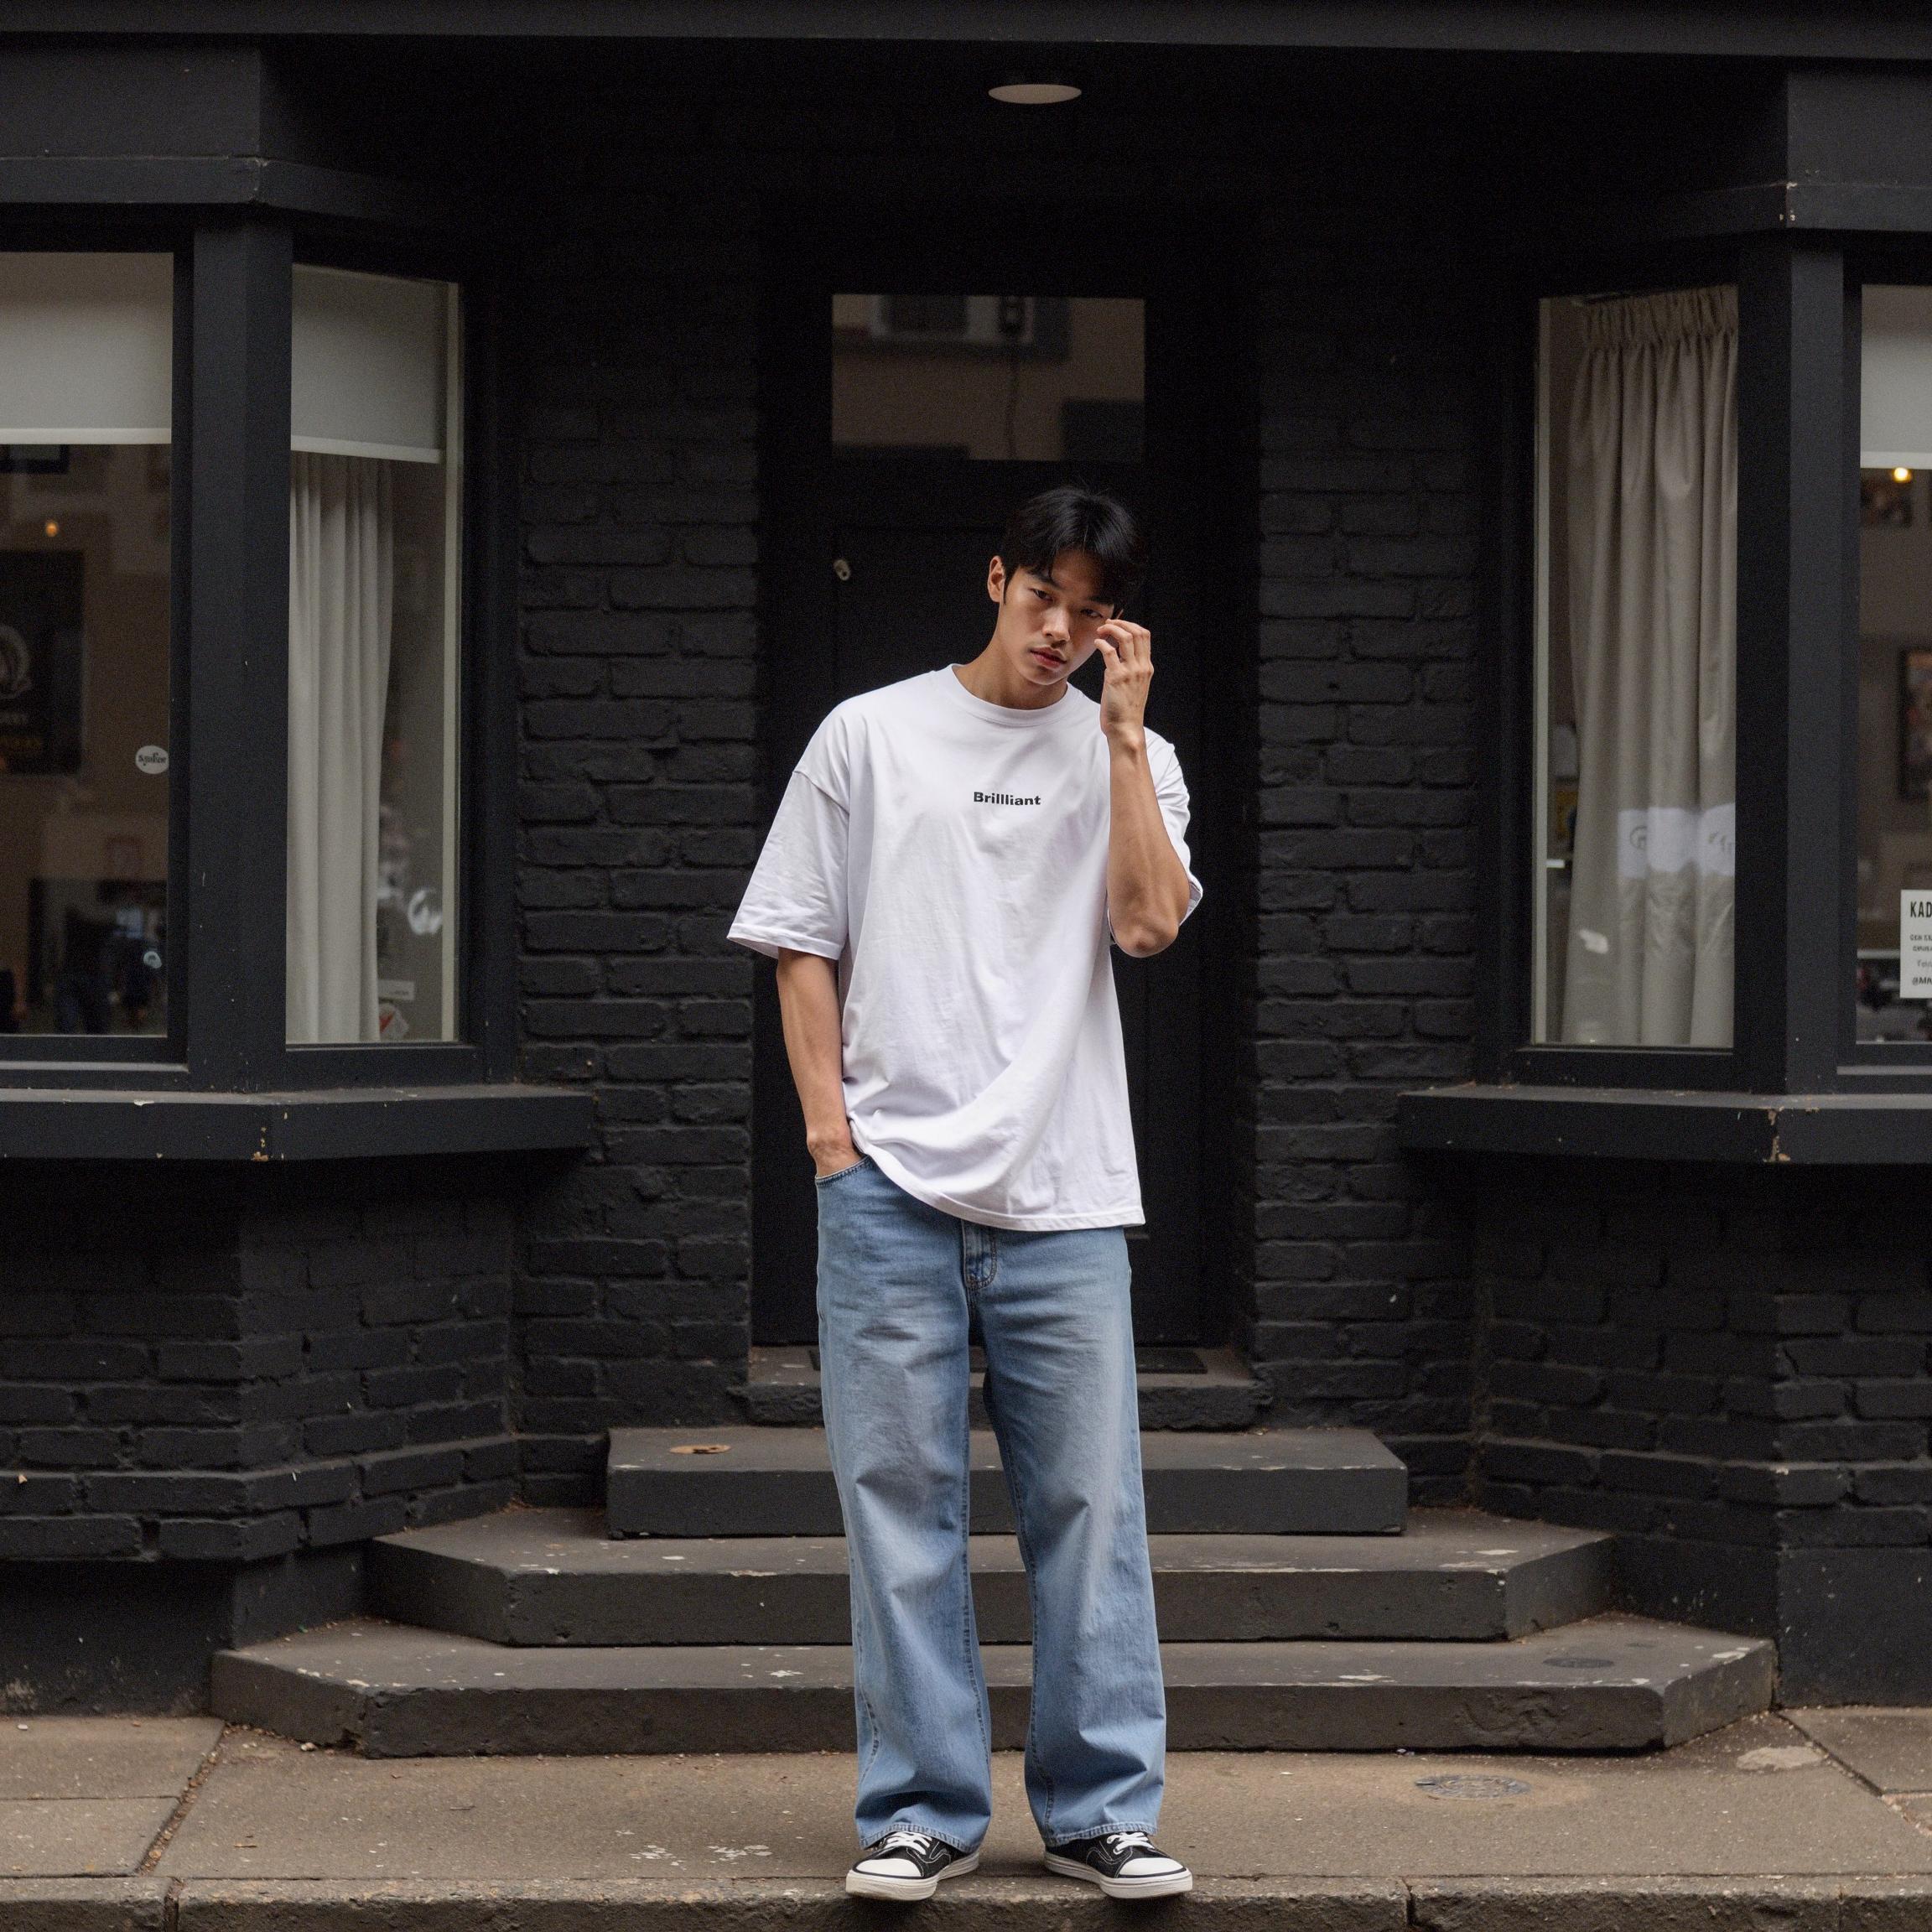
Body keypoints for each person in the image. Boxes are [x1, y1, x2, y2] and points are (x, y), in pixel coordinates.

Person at [729, 486, 1202, 1903]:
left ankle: (1099, 1813)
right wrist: (832, 1142)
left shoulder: (1135, 756)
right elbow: (800, 942)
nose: (1061, 630)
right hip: (887, 1190)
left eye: (1090, 611)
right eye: (1043, 597)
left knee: (1091, 1511)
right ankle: (921, 1813)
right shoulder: (869, 735)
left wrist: (1121, 738)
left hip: (1067, 1194)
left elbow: (1147, 924)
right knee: (900, 1511)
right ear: (997, 581)